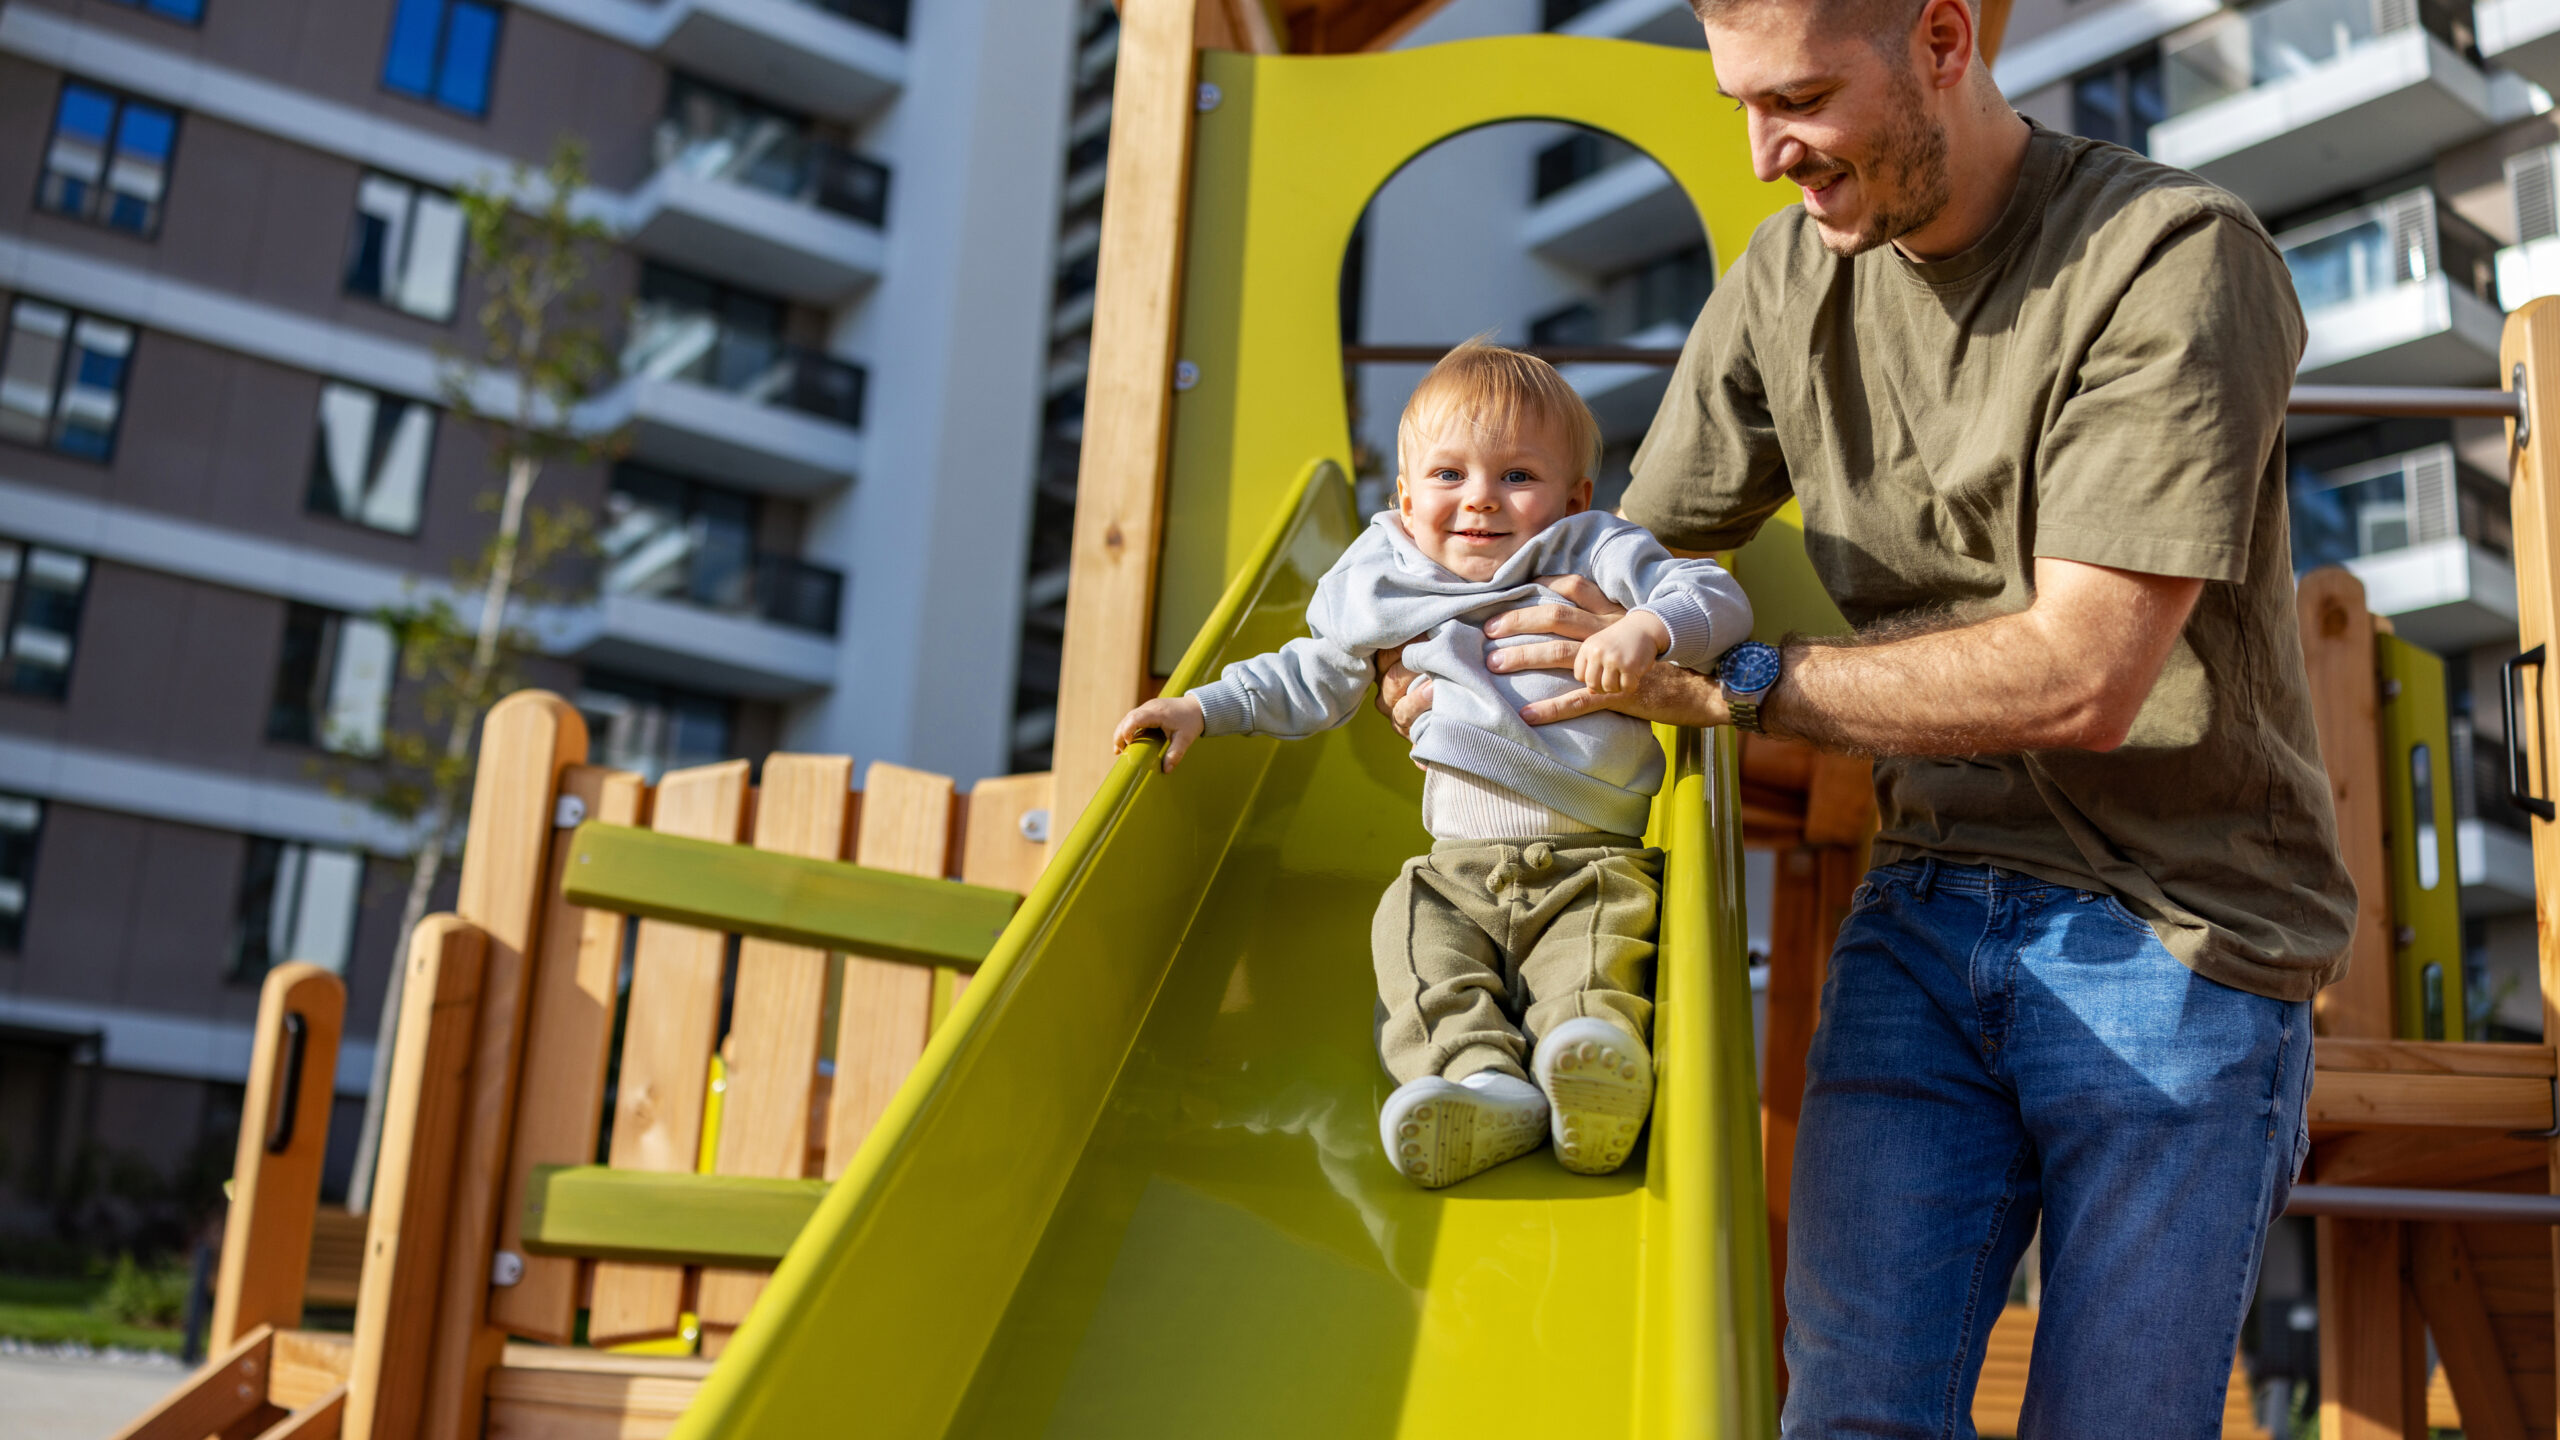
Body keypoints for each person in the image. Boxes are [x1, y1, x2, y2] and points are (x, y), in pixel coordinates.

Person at [1379, 0, 2353, 1432]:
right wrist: (1446, 649)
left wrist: (1745, 684)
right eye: (1741, 106)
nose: (1766, 153)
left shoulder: (2169, 259)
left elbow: (2086, 675)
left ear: (1943, 42)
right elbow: (1622, 561)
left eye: (1801, 101)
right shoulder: (1790, 276)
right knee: (1848, 1418)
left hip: (2180, 929)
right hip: (1926, 904)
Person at [1114, 341, 1752, 1189]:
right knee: (1413, 944)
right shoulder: (1384, 581)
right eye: (1450, 475)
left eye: (1517, 475)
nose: (1481, 497)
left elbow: (1715, 596)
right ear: (1406, 498)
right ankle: (1478, 1081)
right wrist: (1203, 707)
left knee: (1593, 960)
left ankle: (1588, 1057)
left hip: (1595, 861)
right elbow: (1310, 671)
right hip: (1455, 870)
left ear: (1573, 496)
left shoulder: (1591, 550)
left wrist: (1647, 627)